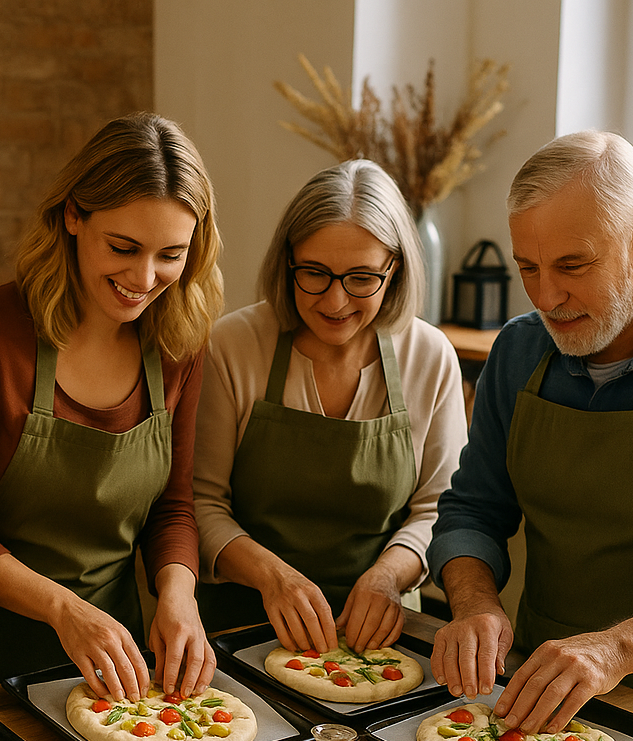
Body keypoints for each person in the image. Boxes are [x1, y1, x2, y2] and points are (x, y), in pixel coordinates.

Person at [0, 112, 222, 700]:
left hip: (116, 670)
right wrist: (64, 610)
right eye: (122, 247)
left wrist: (178, 595)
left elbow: (173, 506)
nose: (143, 278)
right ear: (73, 215)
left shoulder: (177, 342)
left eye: (170, 254)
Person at [428, 129, 633, 732]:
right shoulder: (519, 351)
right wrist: (474, 603)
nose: (547, 297)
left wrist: (616, 650)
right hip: (533, 699)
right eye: (528, 267)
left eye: (572, 266)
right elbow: (473, 509)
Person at [193, 159, 468, 655]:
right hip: (241, 625)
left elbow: (439, 509)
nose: (336, 301)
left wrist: (387, 577)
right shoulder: (233, 345)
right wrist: (274, 578)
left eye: (362, 277)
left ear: (395, 268)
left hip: (383, 635)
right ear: (287, 262)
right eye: (314, 274)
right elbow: (201, 503)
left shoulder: (428, 357)